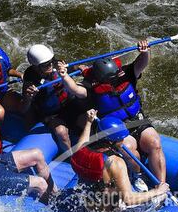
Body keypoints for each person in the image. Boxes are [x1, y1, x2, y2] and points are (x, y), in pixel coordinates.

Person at [58, 40, 166, 185]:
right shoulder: (91, 87)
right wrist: (64, 76)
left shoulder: (126, 73)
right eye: (113, 77)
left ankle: (162, 184)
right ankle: (138, 175)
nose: (117, 77)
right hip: (118, 129)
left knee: (155, 142)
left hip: (138, 120)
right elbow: (74, 89)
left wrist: (145, 51)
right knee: (129, 151)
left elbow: (142, 63)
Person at [68, 112, 169, 212]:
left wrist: (89, 122)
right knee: (155, 198)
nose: (123, 140)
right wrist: (157, 191)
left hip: (86, 204)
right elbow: (129, 200)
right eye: (121, 138)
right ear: (112, 142)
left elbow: (84, 138)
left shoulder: (80, 149)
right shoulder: (115, 162)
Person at [21, 44, 86, 153]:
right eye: (46, 65)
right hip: (52, 114)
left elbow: (72, 67)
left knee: (87, 120)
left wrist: (79, 67)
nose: (51, 65)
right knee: (61, 133)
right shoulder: (30, 78)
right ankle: (72, 157)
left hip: (69, 104)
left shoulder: (55, 63)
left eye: (51, 61)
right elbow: (25, 105)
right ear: (36, 67)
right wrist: (29, 97)